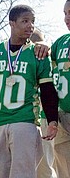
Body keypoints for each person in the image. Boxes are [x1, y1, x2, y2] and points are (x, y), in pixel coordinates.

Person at [0, 4, 59, 178]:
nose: (30, 26)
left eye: (32, 22)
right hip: (0, 120)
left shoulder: (37, 53)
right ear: (11, 23)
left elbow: (47, 90)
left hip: (25, 120)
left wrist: (52, 120)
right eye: (25, 21)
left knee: (22, 173)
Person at [30, 29, 57, 178]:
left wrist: (46, 45)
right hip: (28, 119)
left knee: (44, 165)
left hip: (44, 117)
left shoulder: (47, 58)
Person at [51, 0, 70, 178]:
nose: (67, 18)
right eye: (65, 14)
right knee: (63, 167)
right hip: (63, 113)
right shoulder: (60, 42)